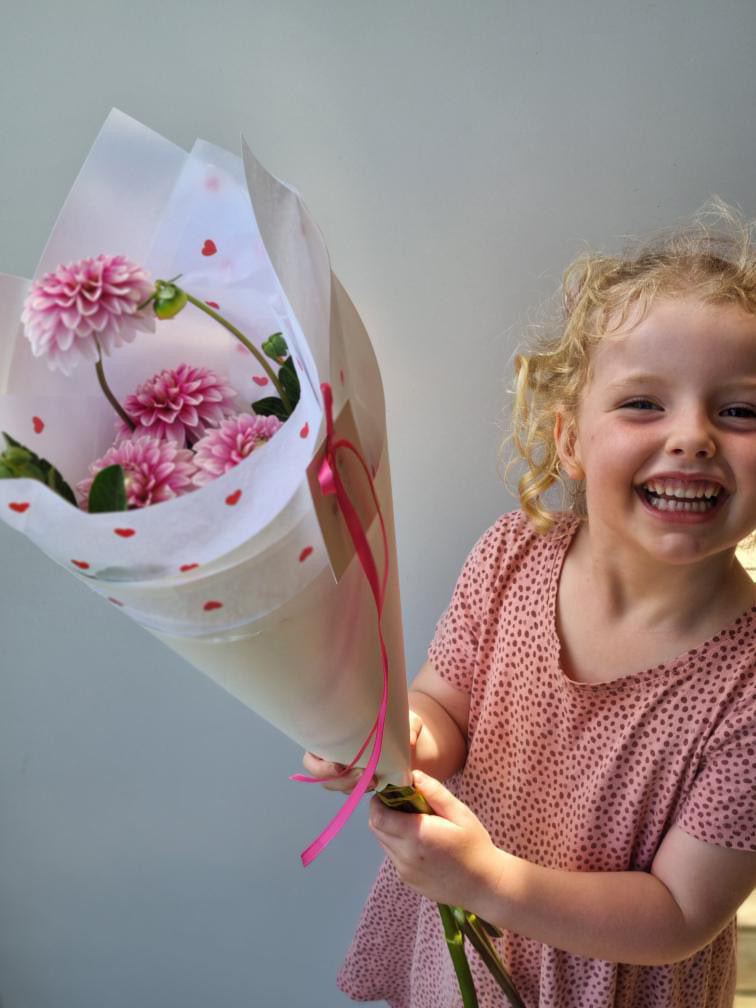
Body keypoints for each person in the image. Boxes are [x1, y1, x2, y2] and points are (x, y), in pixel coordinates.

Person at [302, 199, 756, 1007]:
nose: (693, 436)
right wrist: (392, 739)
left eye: (741, 410)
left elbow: (682, 911)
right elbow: (446, 706)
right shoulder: (511, 556)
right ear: (571, 440)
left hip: (613, 982)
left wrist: (491, 881)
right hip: (470, 949)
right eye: (643, 403)